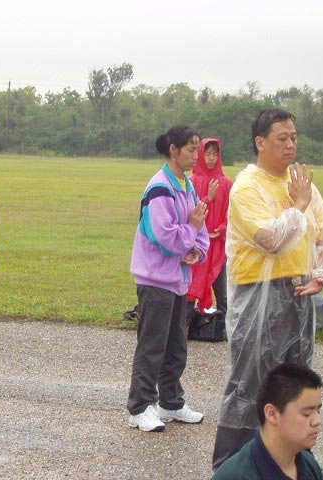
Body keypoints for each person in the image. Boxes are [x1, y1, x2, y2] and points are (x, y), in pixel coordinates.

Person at [212, 109, 323, 469]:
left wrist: (320, 273)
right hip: (259, 297)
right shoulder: (248, 187)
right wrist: (298, 205)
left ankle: (294, 462)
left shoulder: (301, 184)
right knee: (252, 381)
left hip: (299, 295)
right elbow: (273, 240)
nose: (291, 144)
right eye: (282, 138)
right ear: (261, 142)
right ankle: (234, 465)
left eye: (294, 137)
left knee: (296, 382)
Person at [127, 125, 210, 432]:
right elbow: (165, 236)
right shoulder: (160, 188)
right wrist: (190, 235)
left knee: (176, 345)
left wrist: (197, 251)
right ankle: (140, 407)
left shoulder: (187, 186)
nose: (196, 155)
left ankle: (171, 402)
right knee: (152, 346)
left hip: (178, 279)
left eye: (197, 149)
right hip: (156, 279)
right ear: (173, 150)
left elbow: (200, 225)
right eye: (191, 149)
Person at [211, 363, 323, 480]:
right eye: (307, 413)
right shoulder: (235, 476)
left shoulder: (308, 463)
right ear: (272, 414)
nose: (317, 421)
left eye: (318, 411)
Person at [188, 138, 233, 316]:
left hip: (218, 245)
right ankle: (186, 325)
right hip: (198, 243)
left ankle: (223, 326)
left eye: (215, 154)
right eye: (207, 154)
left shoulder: (227, 183)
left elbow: (232, 213)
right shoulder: (192, 181)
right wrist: (208, 197)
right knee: (193, 287)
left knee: (222, 291)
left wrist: (221, 229)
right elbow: (189, 211)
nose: (211, 158)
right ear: (201, 155)